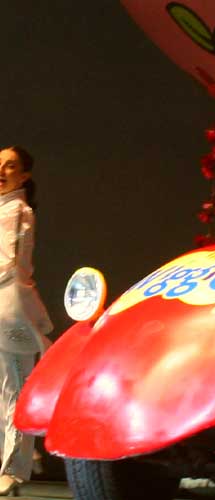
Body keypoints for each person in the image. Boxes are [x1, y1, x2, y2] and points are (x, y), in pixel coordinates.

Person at [0, 146, 51, 496]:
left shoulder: (18, 210)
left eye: (10, 166)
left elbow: (9, 264)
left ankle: (14, 468)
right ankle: (24, 453)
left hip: (9, 307)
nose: (1, 170)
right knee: (7, 390)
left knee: (14, 388)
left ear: (24, 175)